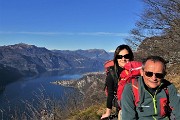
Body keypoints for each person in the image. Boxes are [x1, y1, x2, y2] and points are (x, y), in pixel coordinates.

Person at [101, 44, 134, 119]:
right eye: (120, 56)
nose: (123, 59)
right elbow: (110, 94)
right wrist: (108, 113)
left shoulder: (136, 71)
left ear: (130, 57)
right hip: (122, 106)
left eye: (126, 56)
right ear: (116, 58)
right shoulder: (112, 74)